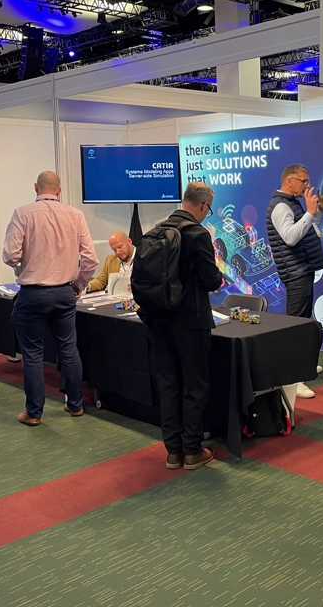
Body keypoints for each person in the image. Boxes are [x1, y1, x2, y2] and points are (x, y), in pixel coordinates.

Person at [137, 182, 222, 470]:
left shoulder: (156, 230)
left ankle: (173, 452)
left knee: (168, 384)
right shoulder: (198, 234)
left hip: (158, 319)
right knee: (194, 385)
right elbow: (211, 280)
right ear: (204, 205)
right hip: (190, 321)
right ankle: (193, 451)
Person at [2, 171, 98, 426]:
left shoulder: (22, 214)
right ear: (59, 190)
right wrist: (78, 283)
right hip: (65, 292)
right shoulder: (75, 215)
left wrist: (26, 260)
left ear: (36, 187)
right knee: (68, 349)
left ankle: (34, 413)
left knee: (32, 354)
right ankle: (75, 405)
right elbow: (91, 259)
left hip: (33, 294)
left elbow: (10, 256)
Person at [265, 164, 323, 399]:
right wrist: (311, 212)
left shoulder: (292, 203)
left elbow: (307, 230)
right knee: (295, 325)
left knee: (301, 323)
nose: (307, 185)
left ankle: (301, 367)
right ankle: (292, 379)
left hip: (303, 269)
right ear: (290, 181)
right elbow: (290, 238)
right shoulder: (281, 206)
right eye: (304, 181)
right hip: (295, 272)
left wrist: (318, 211)